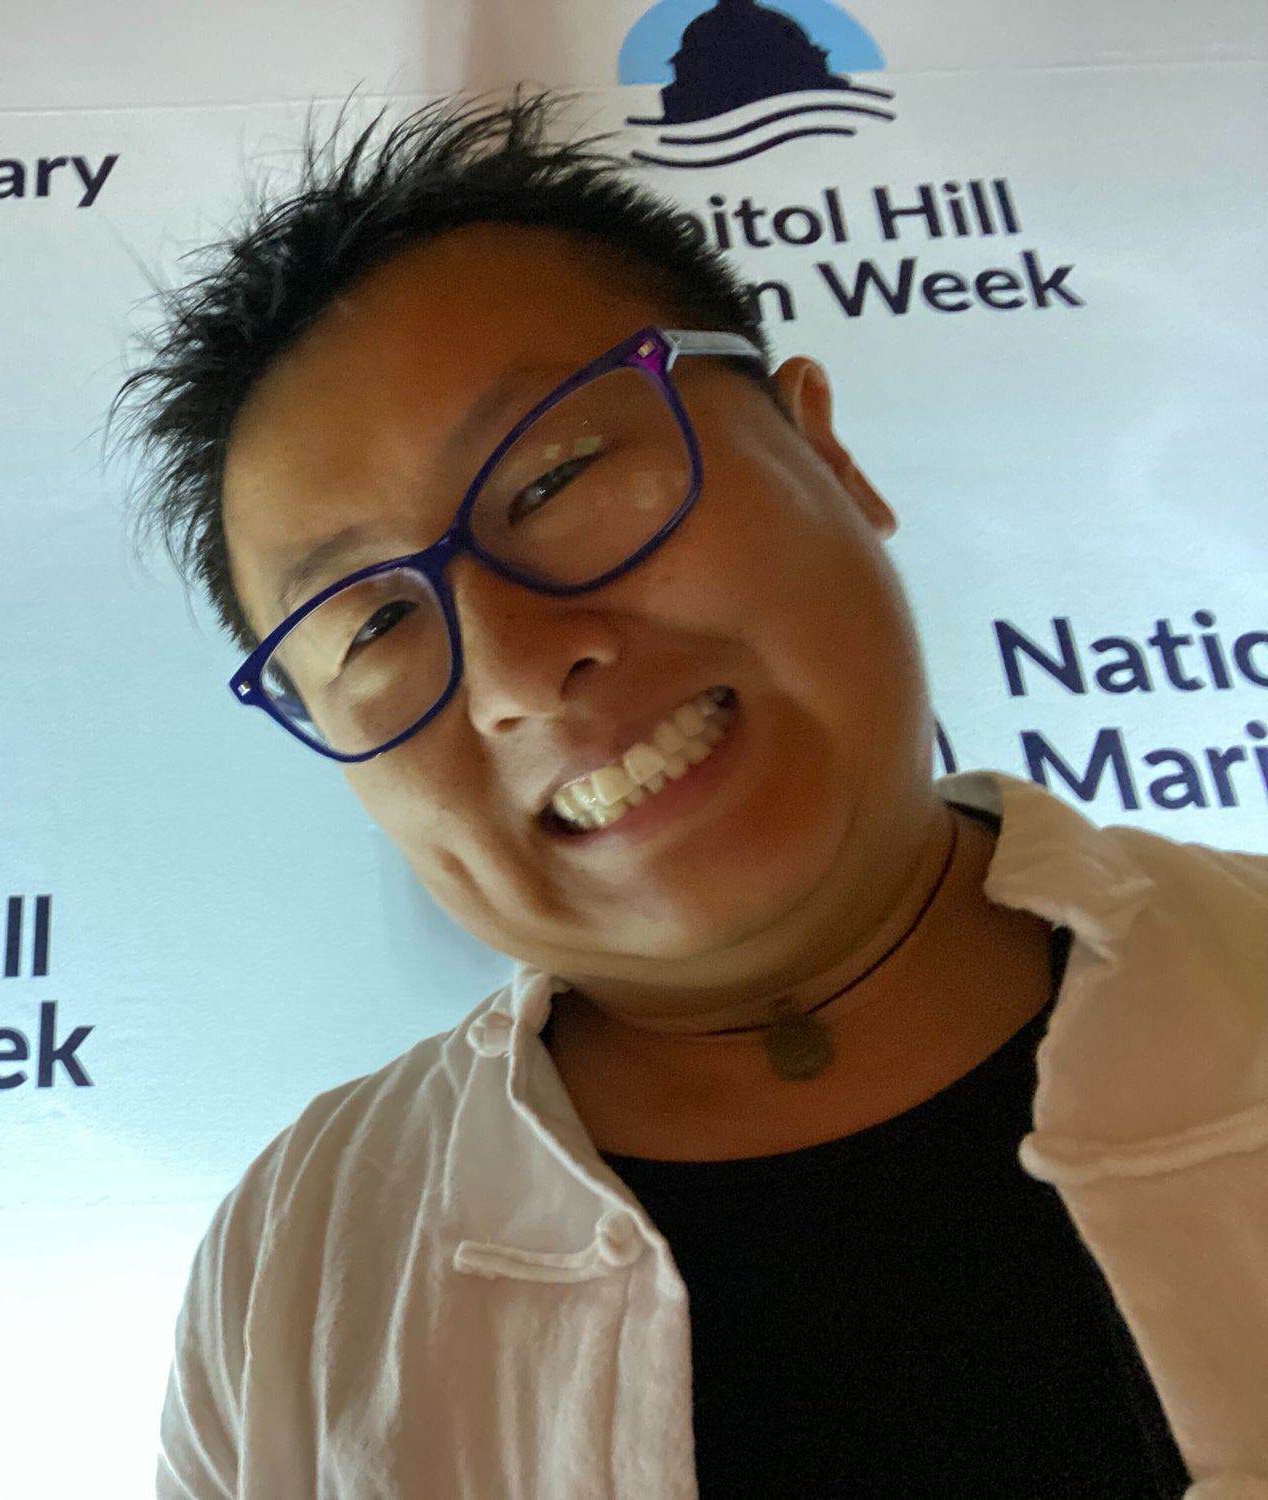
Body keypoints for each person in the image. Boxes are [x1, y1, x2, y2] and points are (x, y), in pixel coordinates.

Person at [117, 93, 1268, 1498]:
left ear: (827, 454)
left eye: (559, 476)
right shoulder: (297, 1266)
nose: (520, 670)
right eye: (368, 627)